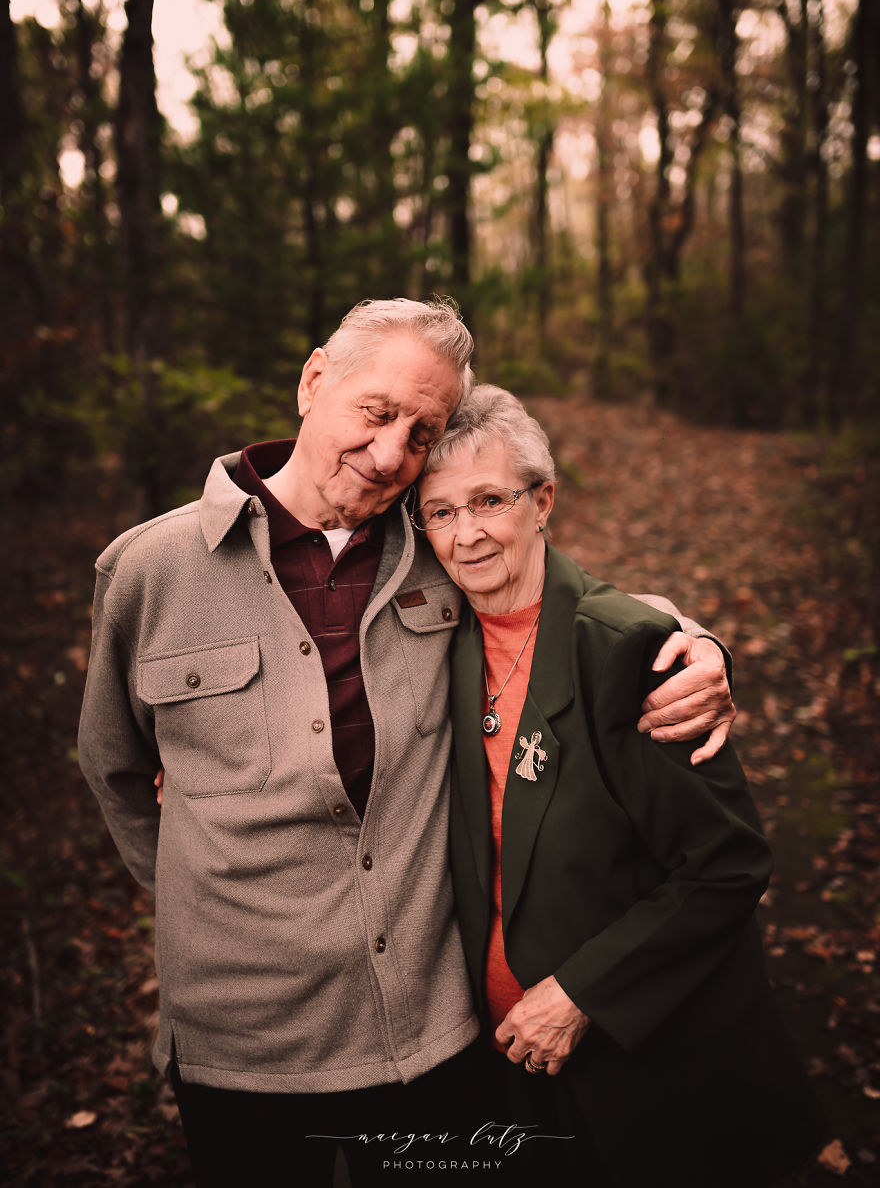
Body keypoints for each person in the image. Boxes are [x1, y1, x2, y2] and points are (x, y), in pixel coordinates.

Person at [78, 299, 736, 1187]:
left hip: (431, 1031)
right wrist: (207, 893)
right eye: (377, 413)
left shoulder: (435, 540)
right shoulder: (149, 571)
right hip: (242, 1042)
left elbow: (560, 598)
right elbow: (114, 767)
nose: (392, 454)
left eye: (421, 433)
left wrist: (691, 639)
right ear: (314, 381)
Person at [414, 384, 826, 1188]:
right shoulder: (437, 644)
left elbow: (727, 864)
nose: (466, 535)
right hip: (504, 1066)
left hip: (648, 1066)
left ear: (544, 501)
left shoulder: (629, 653)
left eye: (490, 500)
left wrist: (580, 995)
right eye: (440, 512)